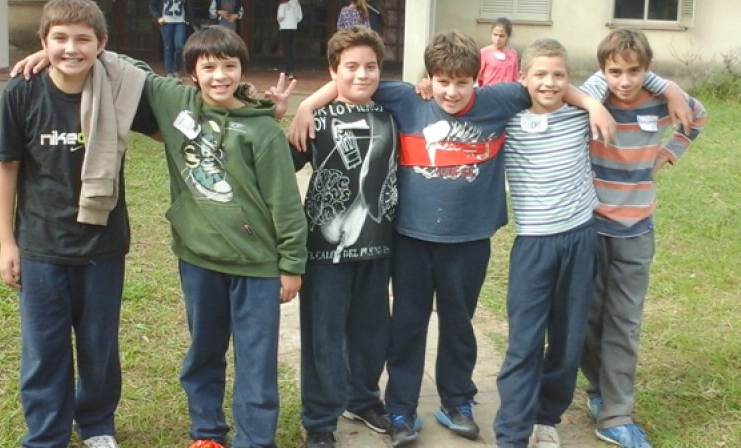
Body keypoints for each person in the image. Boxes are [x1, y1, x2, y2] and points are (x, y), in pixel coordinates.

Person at [290, 31, 615, 447]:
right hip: (411, 238)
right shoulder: (406, 99)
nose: (452, 91)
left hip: (470, 239)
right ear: (429, 78)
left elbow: (545, 82)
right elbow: (351, 79)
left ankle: (457, 400)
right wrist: (307, 105)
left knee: (459, 324)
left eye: (462, 82)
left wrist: (592, 103)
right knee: (407, 325)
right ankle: (401, 408)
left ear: (477, 80)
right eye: (442, 81)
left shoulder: (499, 100)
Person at [493, 37, 691, 448]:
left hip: (581, 237)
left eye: (558, 76)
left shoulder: (580, 113)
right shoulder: (507, 118)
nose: (549, 83)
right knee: (525, 341)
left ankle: (548, 416)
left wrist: (669, 91)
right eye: (540, 75)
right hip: (533, 245)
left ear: (570, 79)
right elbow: (463, 100)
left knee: (569, 339)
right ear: (523, 77)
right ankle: (512, 433)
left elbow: (620, 71)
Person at [0, 0, 158, 448]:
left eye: (83, 39)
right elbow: (6, 166)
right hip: (41, 245)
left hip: (102, 245)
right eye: (60, 38)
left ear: (102, 44)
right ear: (43, 43)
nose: (71, 48)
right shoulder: (22, 91)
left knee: (98, 345)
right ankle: (47, 432)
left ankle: (97, 424)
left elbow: (167, 127)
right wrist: (7, 242)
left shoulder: (119, 88)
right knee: (44, 348)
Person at [137, 27, 306, 448]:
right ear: (192, 72)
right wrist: (51, 55)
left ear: (242, 71)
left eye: (229, 66)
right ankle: (207, 431)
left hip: (257, 267)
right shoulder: (175, 102)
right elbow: (126, 66)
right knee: (204, 352)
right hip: (199, 260)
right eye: (208, 67)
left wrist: (291, 265)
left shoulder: (263, 131)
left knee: (256, 360)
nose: (219, 76)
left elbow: (285, 204)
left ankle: (255, 439)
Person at [579, 29, 707, 448]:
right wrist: (658, 83)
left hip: (636, 231)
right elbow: (577, 92)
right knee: (587, 318)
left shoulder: (660, 100)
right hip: (590, 227)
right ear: (603, 71)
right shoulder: (593, 98)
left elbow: (699, 116)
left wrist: (669, 151)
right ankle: (598, 389)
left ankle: (617, 413)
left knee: (624, 321)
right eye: (615, 71)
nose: (625, 81)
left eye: (635, 71)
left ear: (646, 69)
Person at [291, 26, 398, 448]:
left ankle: (363, 399)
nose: (361, 75)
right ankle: (319, 420)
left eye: (370, 66)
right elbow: (280, 170)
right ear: (333, 70)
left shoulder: (392, 112)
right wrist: (303, 106)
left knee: (372, 333)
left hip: (378, 245)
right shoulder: (314, 120)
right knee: (323, 336)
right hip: (324, 253)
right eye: (351, 66)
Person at [149, 0, 192, 77]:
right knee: (168, 46)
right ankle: (169, 71)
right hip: (166, 23)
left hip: (180, 22)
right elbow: (152, 5)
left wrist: (188, 19)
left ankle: (176, 69)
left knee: (179, 46)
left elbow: (189, 7)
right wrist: (157, 17)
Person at [477, 17, 519, 87]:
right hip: (489, 91)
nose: (498, 39)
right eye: (495, 35)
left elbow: (514, 78)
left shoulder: (513, 53)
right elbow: (478, 76)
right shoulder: (484, 52)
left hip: (506, 92)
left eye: (501, 36)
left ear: (508, 36)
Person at [277, 0, 303, 79]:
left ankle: (288, 70)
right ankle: (291, 70)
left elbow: (280, 16)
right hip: (293, 27)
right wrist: (294, 22)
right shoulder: (296, 2)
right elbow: (300, 16)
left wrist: (282, 22)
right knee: (291, 49)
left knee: (286, 49)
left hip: (284, 27)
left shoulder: (283, 3)